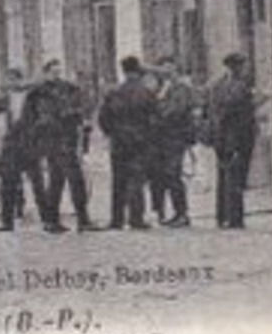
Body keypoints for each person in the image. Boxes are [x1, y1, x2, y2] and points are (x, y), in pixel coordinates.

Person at [25, 59, 97, 232]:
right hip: (56, 141)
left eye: (59, 72)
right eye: (53, 72)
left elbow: (77, 108)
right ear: (46, 73)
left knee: (57, 181)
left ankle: (53, 221)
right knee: (74, 180)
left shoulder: (65, 89)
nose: (57, 76)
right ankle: (81, 220)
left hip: (63, 140)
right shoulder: (39, 93)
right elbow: (33, 118)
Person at [96, 57, 157, 230]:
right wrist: (147, 136)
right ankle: (136, 218)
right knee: (137, 179)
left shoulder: (114, 93)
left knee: (118, 180)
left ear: (123, 71)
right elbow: (155, 118)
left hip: (119, 143)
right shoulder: (146, 92)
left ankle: (117, 219)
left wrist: (113, 133)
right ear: (138, 70)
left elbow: (103, 119)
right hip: (140, 142)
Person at [0, 68, 39, 232]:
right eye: (9, 81)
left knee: (37, 184)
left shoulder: (30, 99)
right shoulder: (4, 101)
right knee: (8, 185)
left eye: (15, 80)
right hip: (10, 147)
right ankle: (7, 222)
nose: (12, 84)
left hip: (28, 146)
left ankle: (48, 218)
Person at [208, 52, 259, 229]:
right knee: (236, 178)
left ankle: (222, 216)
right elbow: (243, 117)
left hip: (220, 138)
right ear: (236, 67)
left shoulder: (216, 86)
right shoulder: (241, 87)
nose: (243, 68)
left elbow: (213, 113)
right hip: (236, 139)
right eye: (241, 65)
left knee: (223, 178)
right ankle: (235, 218)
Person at [150, 56, 197, 227]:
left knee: (173, 174)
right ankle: (163, 212)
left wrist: (158, 111)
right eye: (163, 69)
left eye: (170, 69)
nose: (167, 72)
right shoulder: (159, 88)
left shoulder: (182, 88)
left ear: (176, 70)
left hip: (176, 137)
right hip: (160, 139)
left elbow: (177, 111)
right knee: (160, 176)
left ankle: (182, 214)